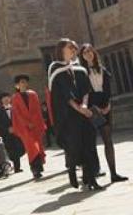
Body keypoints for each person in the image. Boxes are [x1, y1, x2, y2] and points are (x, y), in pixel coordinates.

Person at [48, 38, 103, 191]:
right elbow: (65, 96)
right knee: (74, 146)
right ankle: (72, 169)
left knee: (89, 144)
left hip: (83, 113)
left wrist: (85, 106)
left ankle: (91, 178)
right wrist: (80, 109)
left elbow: (86, 89)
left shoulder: (78, 68)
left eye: (74, 47)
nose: (73, 49)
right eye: (69, 47)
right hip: (68, 116)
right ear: (61, 50)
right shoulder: (55, 69)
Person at [80, 44, 128, 182]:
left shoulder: (103, 69)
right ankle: (90, 174)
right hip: (91, 106)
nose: (88, 54)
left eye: (90, 51)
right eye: (85, 52)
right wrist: (94, 108)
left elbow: (108, 90)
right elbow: (85, 92)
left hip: (105, 104)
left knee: (108, 140)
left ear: (94, 53)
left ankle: (113, 173)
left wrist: (108, 105)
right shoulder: (82, 72)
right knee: (90, 141)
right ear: (82, 56)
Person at [11, 74, 47, 180]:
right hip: (25, 128)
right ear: (17, 85)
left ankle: (39, 168)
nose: (24, 84)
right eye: (21, 82)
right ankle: (35, 170)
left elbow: (37, 111)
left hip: (35, 125)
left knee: (38, 146)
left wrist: (37, 123)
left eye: (25, 82)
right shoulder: (15, 98)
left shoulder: (33, 94)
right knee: (31, 148)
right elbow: (17, 114)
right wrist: (27, 123)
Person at [0, 93, 25, 173]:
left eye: (7, 97)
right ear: (1, 100)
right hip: (6, 134)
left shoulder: (15, 108)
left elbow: (21, 118)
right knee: (11, 150)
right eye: (4, 98)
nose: (6, 99)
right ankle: (16, 168)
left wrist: (16, 128)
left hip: (17, 132)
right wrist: (7, 129)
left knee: (20, 149)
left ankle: (16, 166)